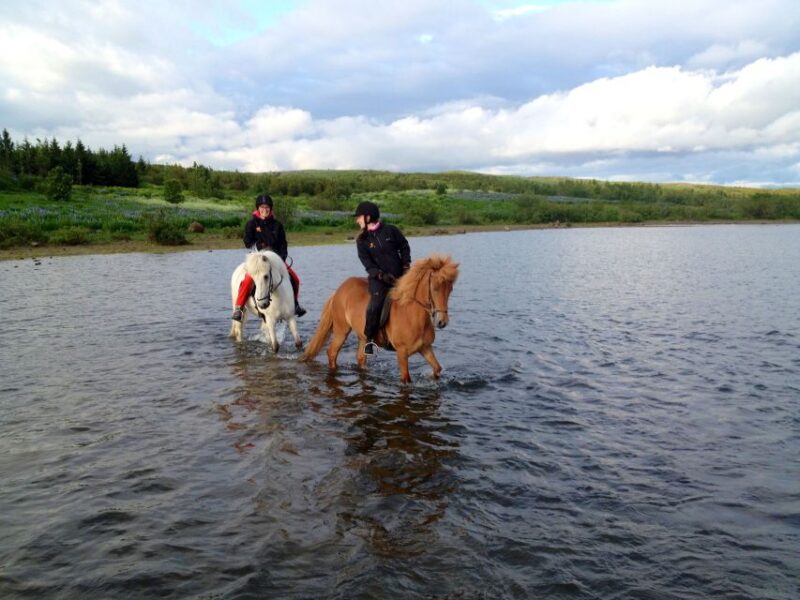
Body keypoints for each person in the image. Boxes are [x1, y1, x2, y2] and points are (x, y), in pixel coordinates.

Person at [231, 194, 306, 321]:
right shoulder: (252, 224)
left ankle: (295, 304)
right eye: (262, 207)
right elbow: (247, 241)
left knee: (295, 279)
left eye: (267, 207)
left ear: (270, 209)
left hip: (276, 259)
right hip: (258, 260)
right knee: (248, 280)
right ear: (258, 208)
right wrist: (259, 245)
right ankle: (239, 307)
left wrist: (282, 258)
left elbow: (283, 243)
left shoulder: (277, 225)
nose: (264, 210)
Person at [354, 200, 411, 354]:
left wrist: (406, 266)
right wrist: (381, 275)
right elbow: (368, 264)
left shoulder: (391, 230)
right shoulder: (362, 241)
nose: (356, 220)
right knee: (374, 307)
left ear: (368, 217)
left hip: (401, 277)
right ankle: (369, 340)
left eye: (358, 217)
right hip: (379, 281)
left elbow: (404, 246)